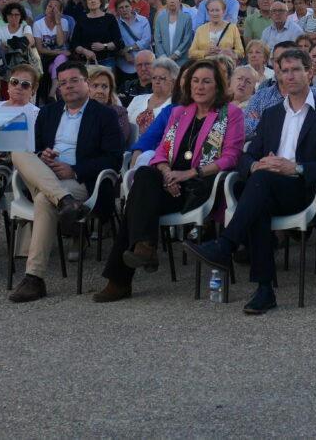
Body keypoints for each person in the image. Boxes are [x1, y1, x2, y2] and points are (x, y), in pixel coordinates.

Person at [184, 48, 316, 314]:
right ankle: (264, 290)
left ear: (310, 72)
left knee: (261, 186)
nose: (289, 76)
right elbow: (246, 156)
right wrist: (256, 164)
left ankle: (227, 246)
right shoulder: (271, 115)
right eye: (284, 71)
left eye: (296, 69)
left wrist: (297, 167)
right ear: (277, 75)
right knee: (260, 190)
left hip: (305, 190)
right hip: (268, 188)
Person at [95, 59, 245, 302]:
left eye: (206, 81)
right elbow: (162, 151)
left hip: (201, 186)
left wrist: (189, 173)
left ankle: (123, 276)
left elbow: (231, 157)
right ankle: (144, 247)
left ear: (218, 86)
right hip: (169, 182)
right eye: (195, 81)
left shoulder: (231, 114)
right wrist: (166, 173)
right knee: (144, 175)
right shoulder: (179, 111)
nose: (199, 86)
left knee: (135, 205)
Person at [8, 61, 124, 302]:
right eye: (63, 83)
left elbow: (113, 158)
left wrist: (74, 170)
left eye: (74, 81)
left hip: (79, 181)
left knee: (43, 200)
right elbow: (37, 148)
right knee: (18, 152)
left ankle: (34, 278)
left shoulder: (105, 115)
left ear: (87, 83)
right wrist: (44, 155)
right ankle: (65, 201)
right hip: (46, 175)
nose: (68, 87)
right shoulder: (49, 112)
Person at [70, 0, 123, 68]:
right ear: (86, 3)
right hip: (86, 62)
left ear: (100, 1)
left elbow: (118, 41)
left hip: (107, 61)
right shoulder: (81, 19)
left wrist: (104, 46)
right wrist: (85, 51)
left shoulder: (109, 18)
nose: (92, 1)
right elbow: (74, 44)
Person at [126, 57, 178, 135]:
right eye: (154, 78)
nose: (157, 81)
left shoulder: (175, 105)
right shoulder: (138, 99)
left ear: (173, 82)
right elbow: (125, 124)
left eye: (162, 78)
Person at [114, 0, 153, 88]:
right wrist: (124, 53)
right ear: (117, 10)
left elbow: (146, 40)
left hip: (144, 65)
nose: (124, 9)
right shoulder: (115, 24)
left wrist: (129, 49)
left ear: (131, 6)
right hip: (124, 65)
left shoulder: (143, 20)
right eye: (121, 7)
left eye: (126, 6)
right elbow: (116, 43)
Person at [88, 66, 131, 144]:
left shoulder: (119, 112)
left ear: (110, 91)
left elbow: (118, 142)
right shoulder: (79, 111)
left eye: (104, 86)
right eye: (95, 86)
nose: (100, 91)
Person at [152, 0, 193, 67]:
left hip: (181, 60)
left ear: (180, 0)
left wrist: (176, 54)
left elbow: (187, 39)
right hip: (163, 61)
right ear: (166, 1)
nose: (172, 1)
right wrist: (163, 57)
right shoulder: (160, 18)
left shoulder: (186, 18)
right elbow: (157, 40)